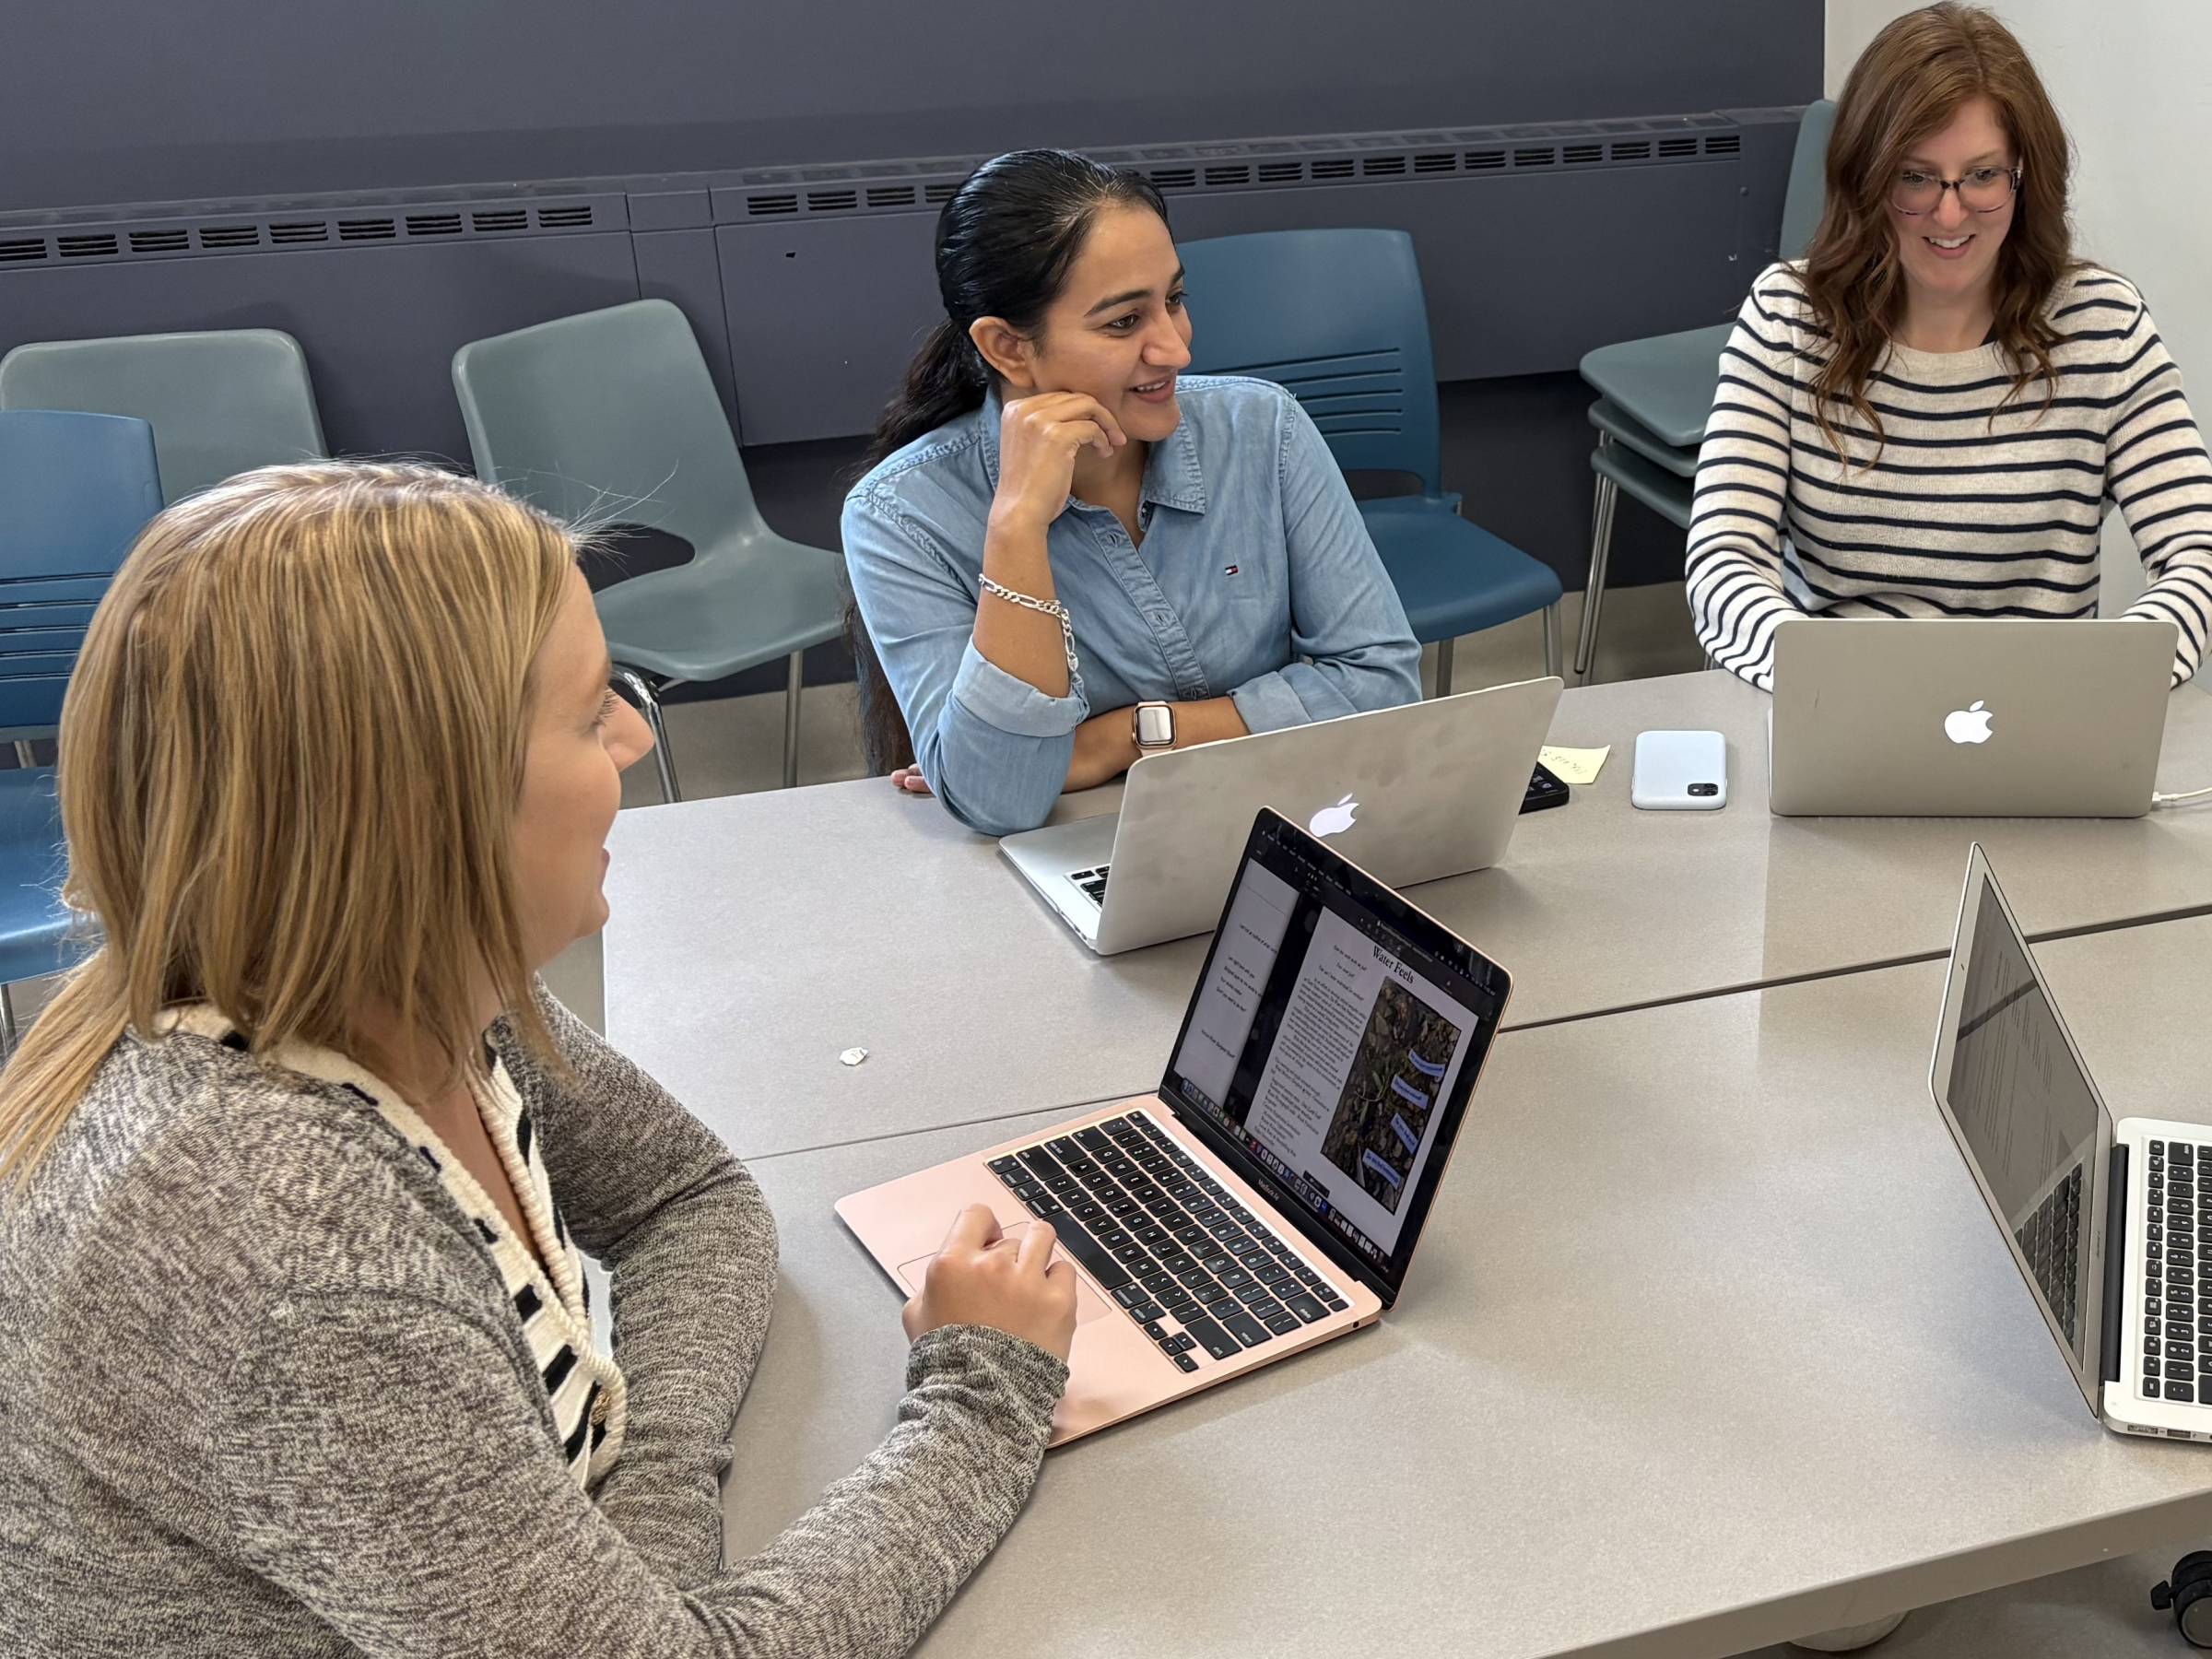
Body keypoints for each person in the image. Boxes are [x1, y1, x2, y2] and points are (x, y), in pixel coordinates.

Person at [0, 463, 1075, 1657]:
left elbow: (690, 1200)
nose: (633, 734)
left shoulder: (408, 989)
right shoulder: (292, 1245)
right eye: (589, 710)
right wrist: (985, 1392)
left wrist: (641, 1520)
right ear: (425, 811)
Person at [841, 148, 1422, 836]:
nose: (1176, 348)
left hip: (1283, 821)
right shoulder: (901, 514)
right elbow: (995, 798)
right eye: (1123, 322)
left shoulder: (1264, 430)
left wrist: (1126, 738)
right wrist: (1017, 527)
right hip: (1066, 860)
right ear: (1007, 348)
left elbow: (1382, 690)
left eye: (1174, 300)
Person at [1688, 2, 2212, 689]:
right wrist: (1813, 672)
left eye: (1983, 175)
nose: (1949, 212)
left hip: (2043, 713)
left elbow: (2197, 552)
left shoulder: (2104, 326)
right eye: (1914, 176)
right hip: (1839, 703)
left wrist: (2113, 683)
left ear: (2026, 176)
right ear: (1867, 178)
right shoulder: (1790, 317)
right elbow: (1725, 557)